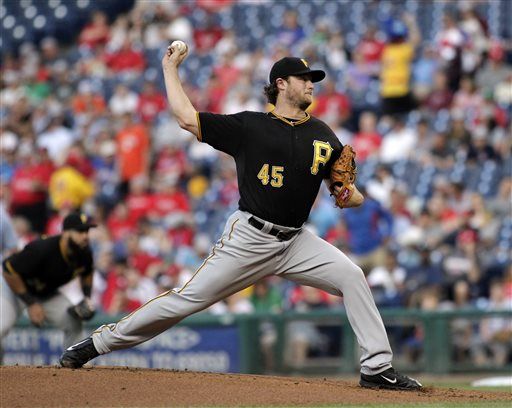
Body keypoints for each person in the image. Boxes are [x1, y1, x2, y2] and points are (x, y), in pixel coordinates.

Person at [59, 44, 422, 391]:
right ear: (281, 84)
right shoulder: (249, 127)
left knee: (352, 277)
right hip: (249, 237)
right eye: (303, 77)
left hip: (296, 240)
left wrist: (348, 195)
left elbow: (347, 193)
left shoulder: (323, 135)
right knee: (185, 300)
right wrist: (170, 69)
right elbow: (187, 119)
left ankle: (376, 368)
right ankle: (97, 344)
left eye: (313, 78)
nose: (311, 83)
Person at [1, 212, 97, 362]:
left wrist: (87, 298)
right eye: (80, 231)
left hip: (46, 294)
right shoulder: (42, 248)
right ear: (65, 233)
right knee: (1, 327)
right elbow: (8, 270)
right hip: (15, 290)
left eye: (87, 231)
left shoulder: (84, 252)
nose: (85, 236)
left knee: (73, 323)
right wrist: (31, 303)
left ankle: (73, 369)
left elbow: (87, 273)